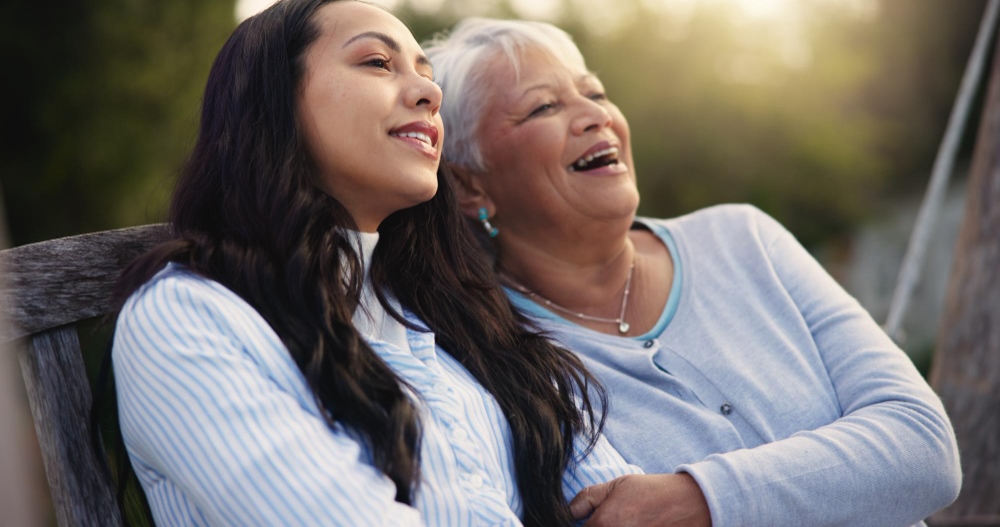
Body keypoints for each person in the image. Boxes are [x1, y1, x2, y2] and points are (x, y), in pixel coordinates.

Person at [101, 2, 642, 525]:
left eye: (427, 75)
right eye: (378, 63)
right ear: (273, 101)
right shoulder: (187, 318)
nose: (430, 93)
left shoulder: (459, 319)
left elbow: (627, 509)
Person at [424, 17, 962, 527]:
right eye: (542, 107)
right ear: (470, 186)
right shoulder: (484, 357)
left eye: (595, 93)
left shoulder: (743, 238)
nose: (595, 116)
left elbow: (926, 447)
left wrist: (699, 500)